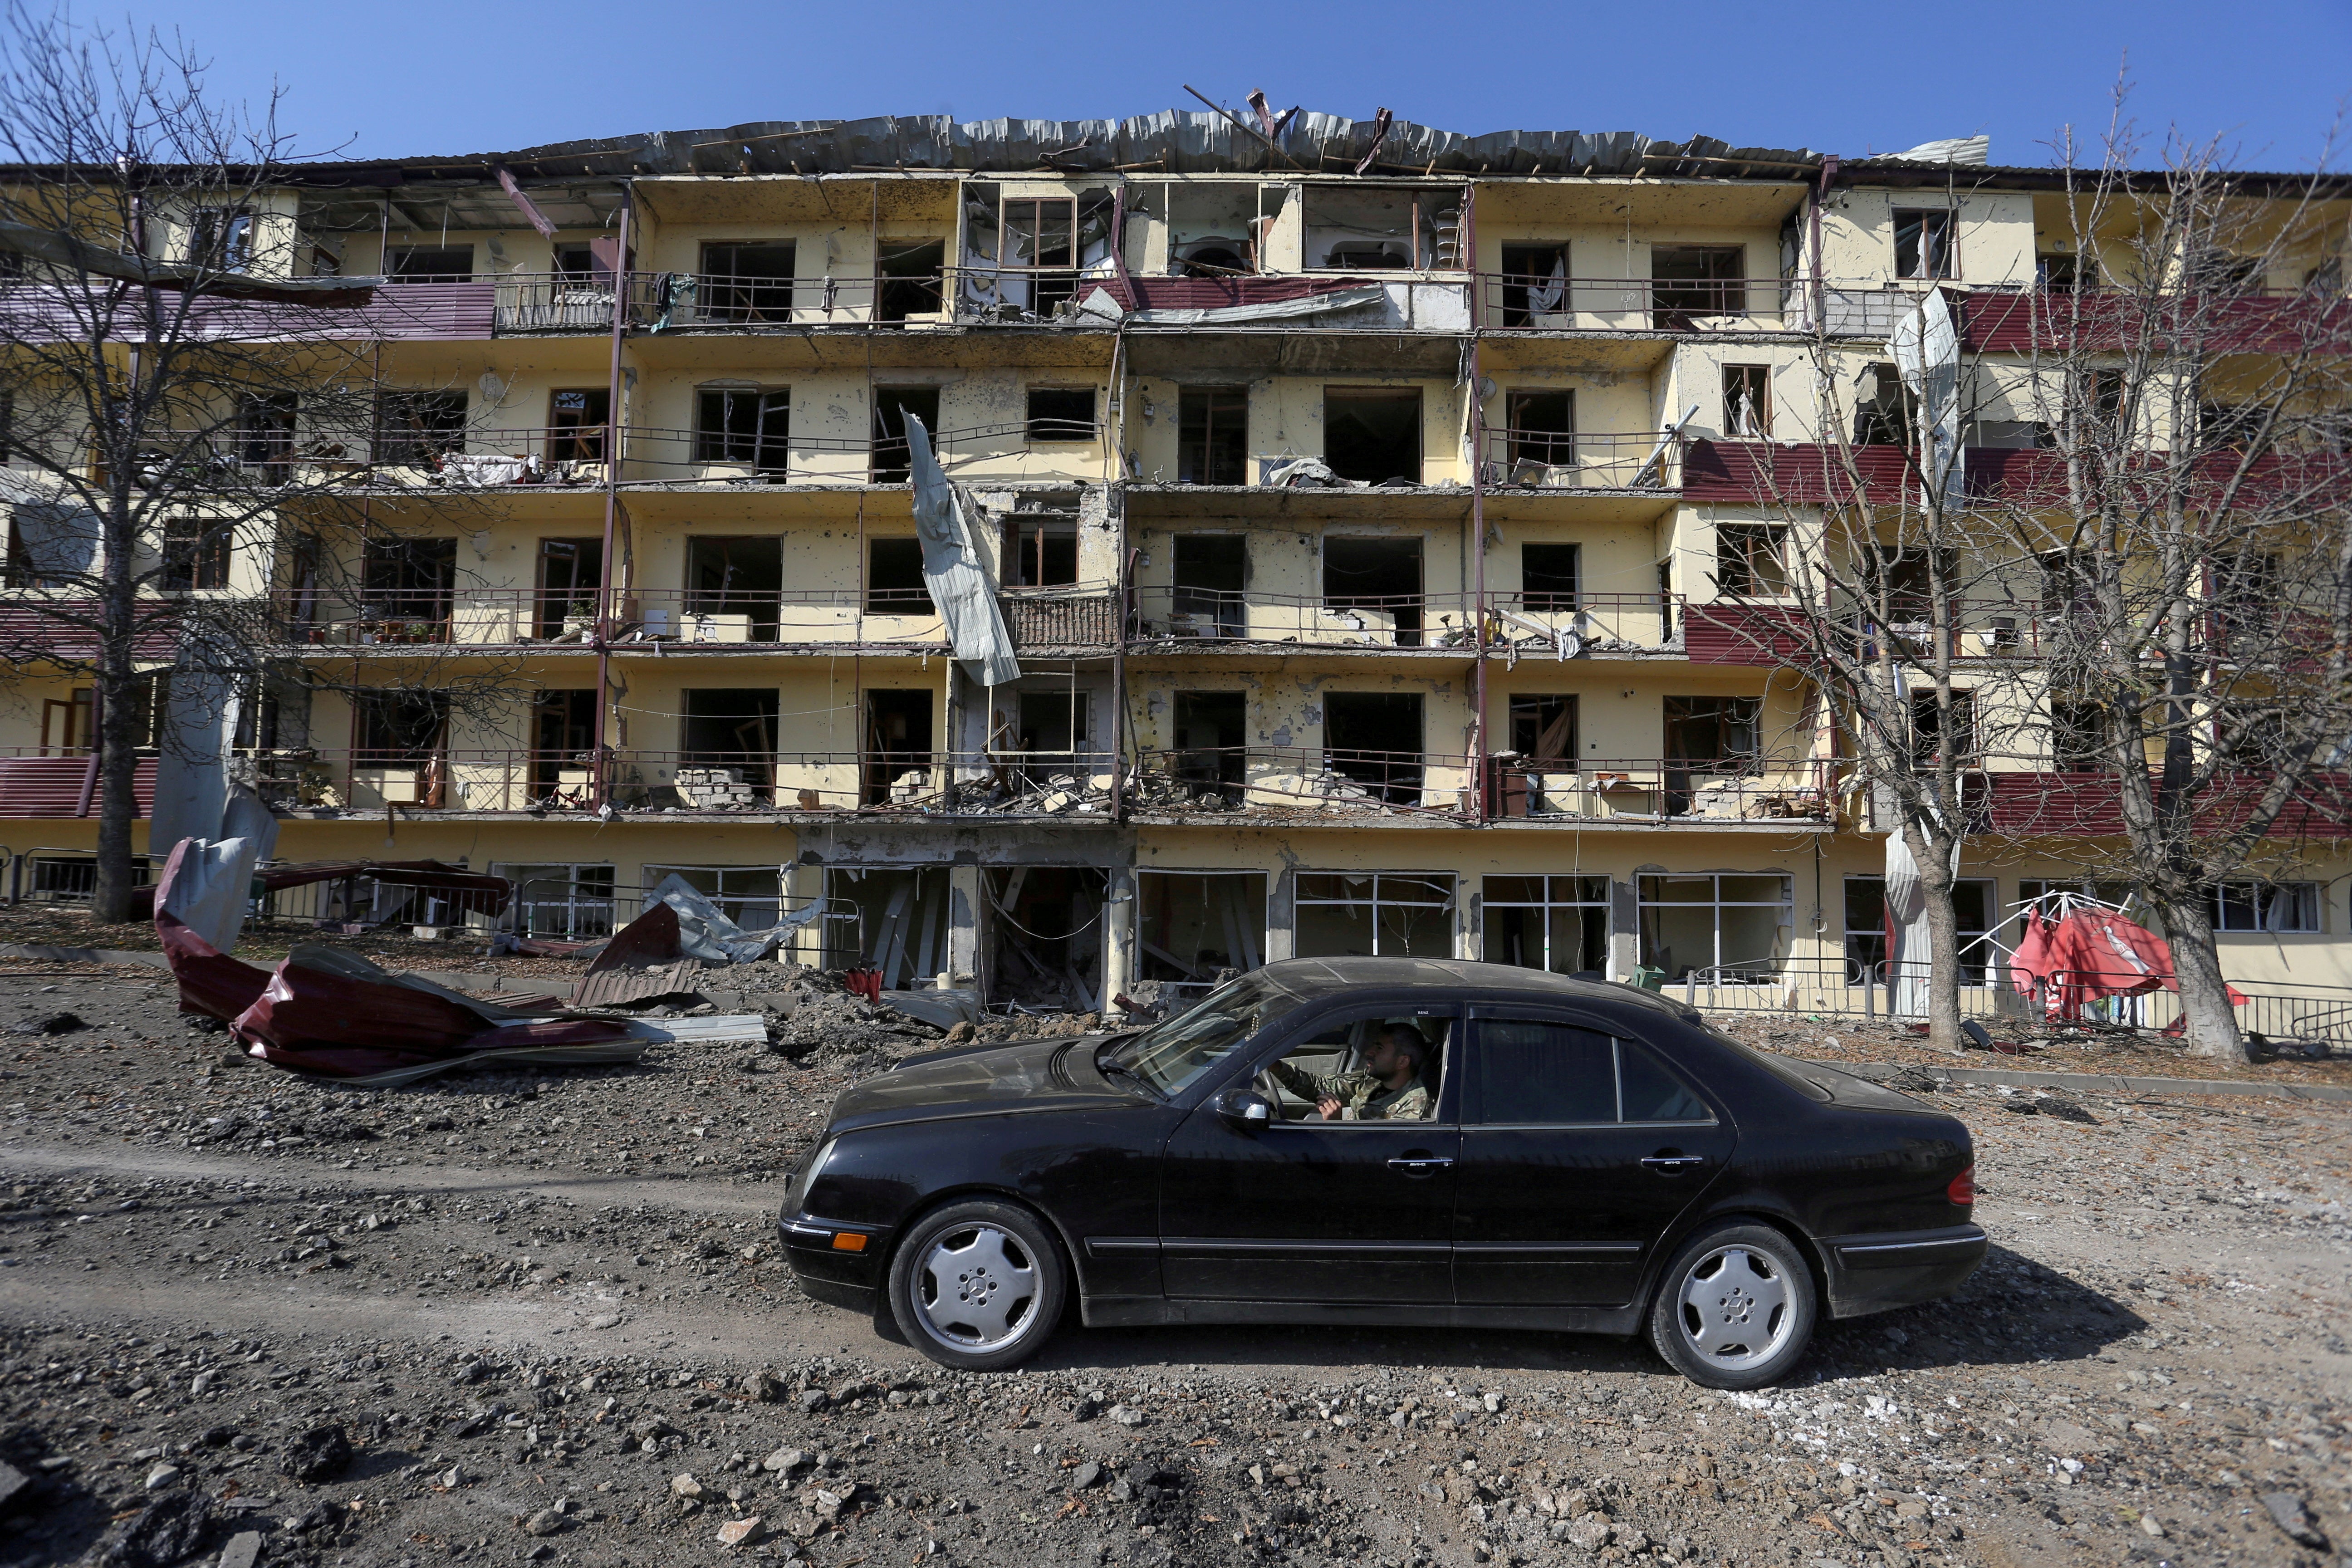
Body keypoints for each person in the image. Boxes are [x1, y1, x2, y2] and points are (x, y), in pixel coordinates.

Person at [1267, 1023, 1434, 1120]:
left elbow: (1379, 1157)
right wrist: (1275, 1066)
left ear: (1403, 1062)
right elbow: (1320, 1087)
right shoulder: (1372, 1081)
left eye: (1379, 1048)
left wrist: (1337, 1128)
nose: (1369, 1052)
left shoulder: (1414, 1106)